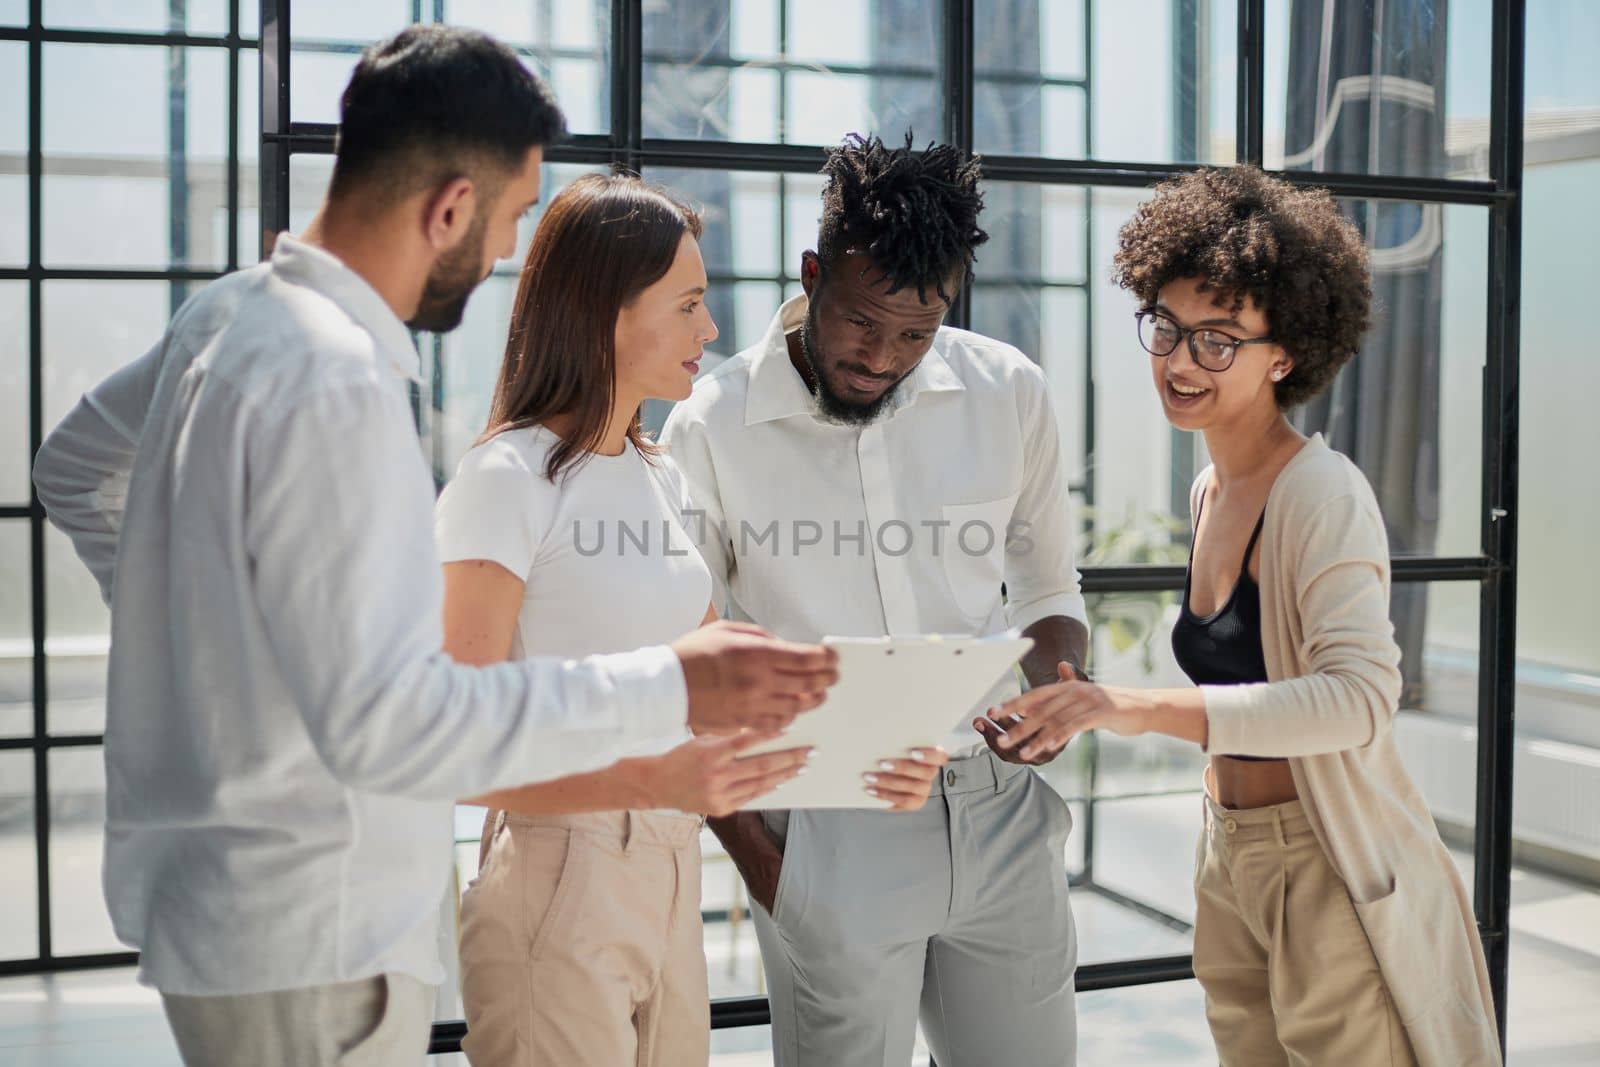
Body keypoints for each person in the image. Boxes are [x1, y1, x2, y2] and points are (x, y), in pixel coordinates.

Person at [31, 28, 837, 1067]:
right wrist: (666, 685)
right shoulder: (338, 376)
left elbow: (69, 467)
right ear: (449, 205)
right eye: (505, 219)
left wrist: (198, 632)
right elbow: (399, 724)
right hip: (313, 920)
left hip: (239, 913)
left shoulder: (224, 317)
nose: (506, 252)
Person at [989, 166, 1501, 1066]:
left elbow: (1358, 697)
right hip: (1231, 855)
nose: (1181, 362)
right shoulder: (1210, 487)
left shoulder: (1319, 491)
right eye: (1169, 329)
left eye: (1219, 340)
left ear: (1286, 352)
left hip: (1326, 862)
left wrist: (1131, 705)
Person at [439, 173, 946, 1067]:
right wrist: (658, 782)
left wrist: (871, 751)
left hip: (670, 870)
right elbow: (459, 746)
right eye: (687, 305)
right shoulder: (506, 483)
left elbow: (726, 692)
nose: (710, 331)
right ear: (605, 311)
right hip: (560, 872)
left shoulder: (657, 472)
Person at [660, 134, 1090, 1067]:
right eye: (862, 320)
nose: (882, 356)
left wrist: (1059, 687)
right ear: (813, 273)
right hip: (822, 818)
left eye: (916, 332)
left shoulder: (1008, 391)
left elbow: (1052, 589)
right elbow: (686, 671)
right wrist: (771, 869)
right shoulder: (714, 426)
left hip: (998, 808)